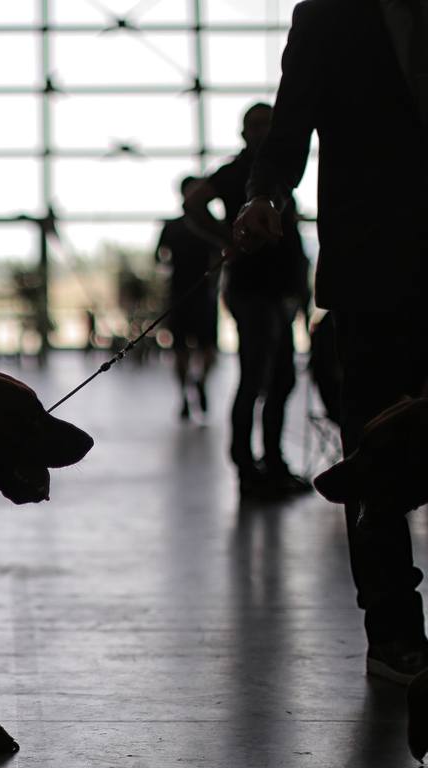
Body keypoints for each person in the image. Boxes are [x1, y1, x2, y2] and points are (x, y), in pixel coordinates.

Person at [235, 0, 428, 683]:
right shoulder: (326, 16)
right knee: (375, 460)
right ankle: (394, 636)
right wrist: (266, 196)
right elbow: (290, 129)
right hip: (371, 276)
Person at [185, 104, 311, 496]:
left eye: (267, 125)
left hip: (278, 292)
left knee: (281, 378)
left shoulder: (277, 177)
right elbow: (193, 202)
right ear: (244, 134)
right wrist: (228, 238)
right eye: (256, 126)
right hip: (253, 291)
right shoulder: (236, 172)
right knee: (256, 377)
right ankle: (249, 467)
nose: (262, 132)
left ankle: (270, 462)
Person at [155, 176, 219, 421]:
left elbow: (159, 258)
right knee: (207, 349)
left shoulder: (172, 227)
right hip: (203, 294)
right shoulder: (211, 226)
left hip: (179, 295)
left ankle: (184, 394)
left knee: (181, 350)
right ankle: (199, 383)